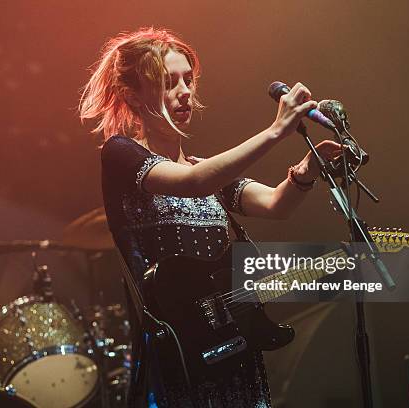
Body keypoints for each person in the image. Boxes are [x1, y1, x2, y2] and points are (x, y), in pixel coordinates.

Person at [80, 27, 342, 407]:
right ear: (131, 95)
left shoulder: (206, 168)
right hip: (178, 357)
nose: (185, 91)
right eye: (169, 82)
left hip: (233, 349)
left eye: (188, 79)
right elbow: (193, 182)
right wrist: (274, 132)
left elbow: (274, 205)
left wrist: (305, 172)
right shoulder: (120, 153)